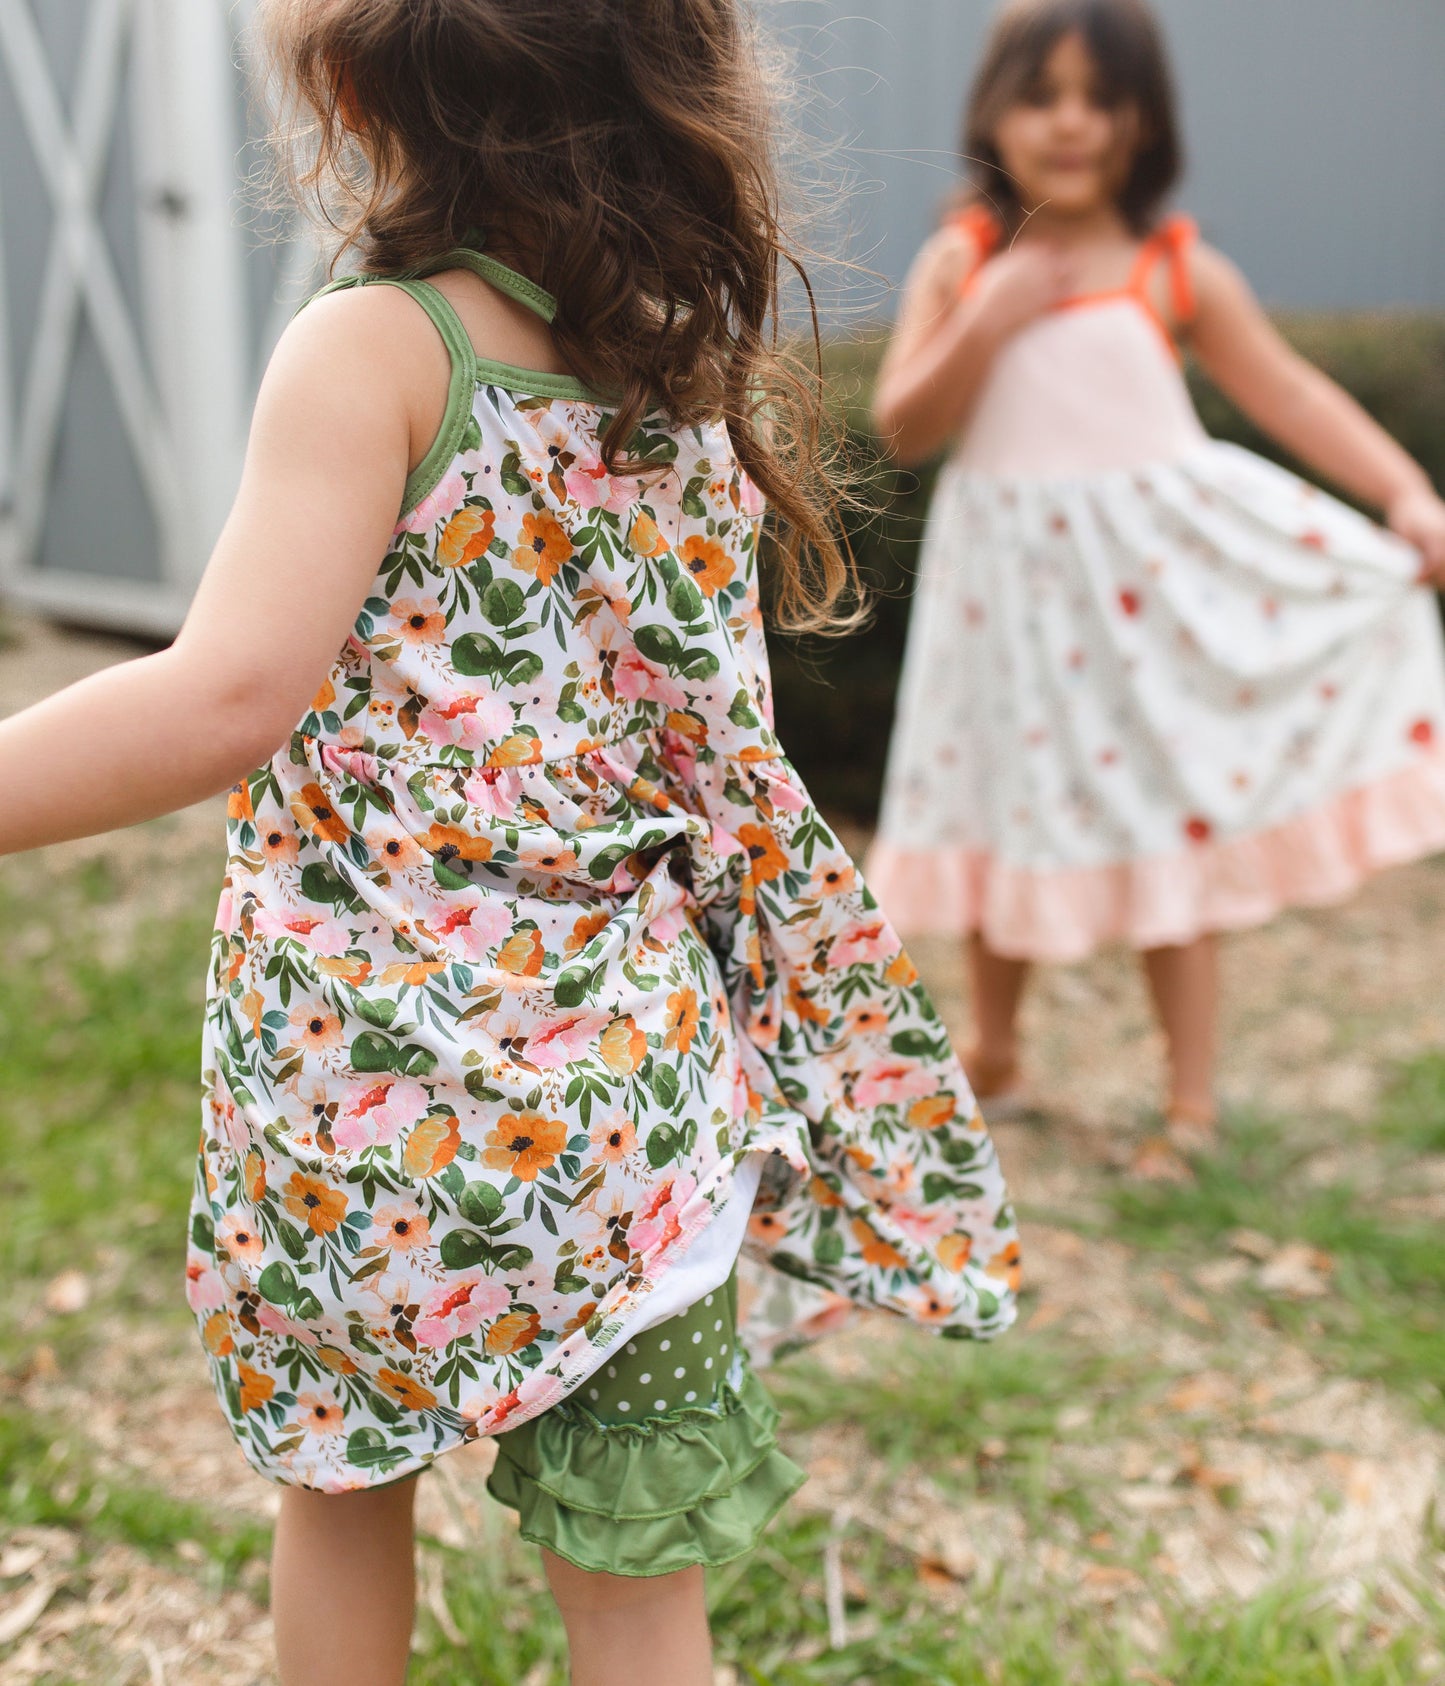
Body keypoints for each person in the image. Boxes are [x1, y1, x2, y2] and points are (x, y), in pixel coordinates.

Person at [0, 2, 1019, 1682]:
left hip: (361, 1091)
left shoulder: (374, 349)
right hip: (623, 1093)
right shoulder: (675, 354)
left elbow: (225, 693)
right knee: (639, 1588)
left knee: (342, 1484)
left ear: (351, 88)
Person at [867, 0, 1445, 1169]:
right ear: (994, 114)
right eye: (1041, 96)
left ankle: (1187, 1100)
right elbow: (901, 426)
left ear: (1143, 121)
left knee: (1167, 824)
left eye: (1099, 96)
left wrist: (1405, 494)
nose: (1070, 122)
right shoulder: (963, 260)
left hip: (1140, 615)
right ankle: (996, 1049)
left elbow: (1289, 394)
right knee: (1005, 811)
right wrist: (984, 319)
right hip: (1010, 611)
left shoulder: (1171, 266)